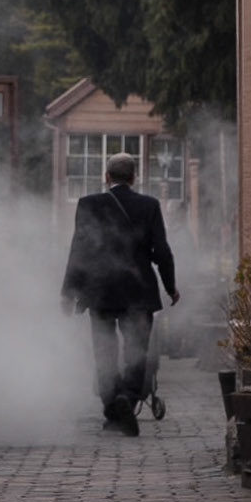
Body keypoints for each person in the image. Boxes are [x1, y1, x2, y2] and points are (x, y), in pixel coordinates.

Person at [61, 152, 180, 436]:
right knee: (136, 351)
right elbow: (161, 251)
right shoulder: (149, 206)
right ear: (133, 177)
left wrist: (68, 292)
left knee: (104, 352)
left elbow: (79, 251)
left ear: (107, 177)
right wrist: (170, 286)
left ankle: (112, 408)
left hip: (100, 291)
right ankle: (127, 396)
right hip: (138, 291)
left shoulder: (88, 204)